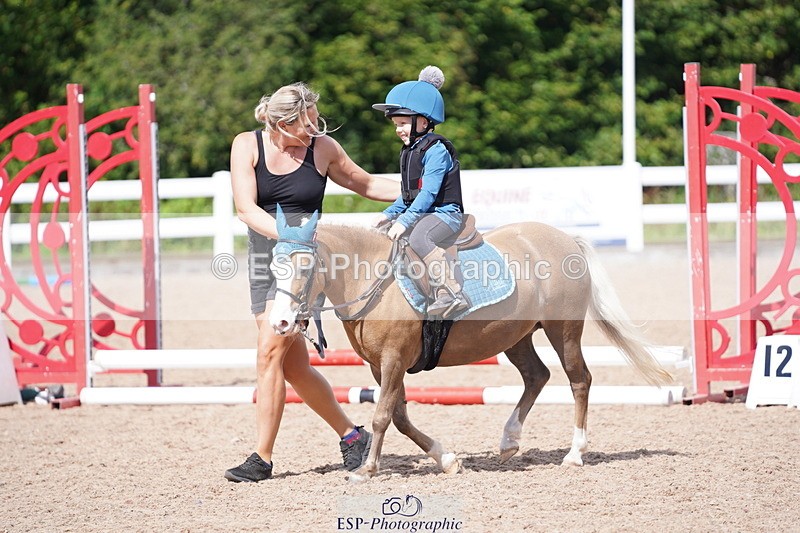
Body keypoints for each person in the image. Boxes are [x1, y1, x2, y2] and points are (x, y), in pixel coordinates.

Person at [225, 82, 399, 482]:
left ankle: (261, 458)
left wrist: (418, 188)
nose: (315, 129)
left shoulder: (322, 148)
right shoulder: (247, 145)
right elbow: (246, 208)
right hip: (263, 260)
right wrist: (288, 235)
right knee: (293, 366)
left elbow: (365, 183)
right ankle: (353, 437)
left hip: (302, 266)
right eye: (306, 123)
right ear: (282, 123)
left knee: (269, 354)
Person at [372, 66, 468, 319]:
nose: (398, 129)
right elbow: (409, 194)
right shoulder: (410, 150)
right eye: (396, 124)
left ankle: (450, 291)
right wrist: (389, 213)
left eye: (403, 123)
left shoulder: (436, 150)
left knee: (418, 238)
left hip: (445, 214)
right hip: (424, 212)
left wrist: (404, 220)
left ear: (423, 122)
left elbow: (427, 195)